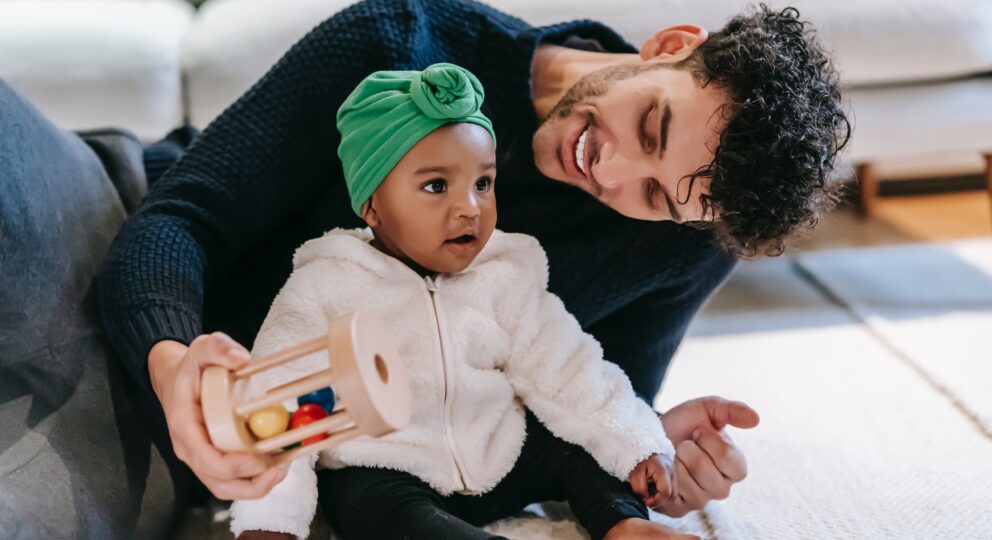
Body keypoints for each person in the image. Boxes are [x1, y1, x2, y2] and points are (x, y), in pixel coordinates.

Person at [93, 0, 845, 527]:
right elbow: (182, 221)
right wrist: (171, 362)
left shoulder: (682, 243)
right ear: (669, 45)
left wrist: (648, 450)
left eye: (655, 194)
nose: (610, 173)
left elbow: (566, 396)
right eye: (649, 125)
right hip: (121, 219)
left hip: (235, 421)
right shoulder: (402, 43)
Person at [230, 62, 698, 540]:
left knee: (577, 445)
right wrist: (270, 520)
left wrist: (639, 442)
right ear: (373, 204)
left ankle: (624, 524)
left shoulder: (506, 274)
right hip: (390, 467)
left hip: (497, 451)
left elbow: (568, 366)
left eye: (483, 183)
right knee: (365, 505)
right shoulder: (327, 284)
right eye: (436, 186)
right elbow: (281, 400)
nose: (470, 208)